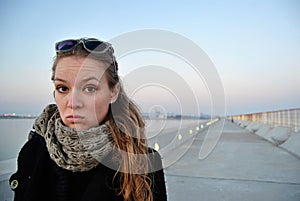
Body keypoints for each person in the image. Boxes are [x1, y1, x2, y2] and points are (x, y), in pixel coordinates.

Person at [9, 38, 167, 201]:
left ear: (113, 92)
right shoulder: (32, 151)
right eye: (63, 88)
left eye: (90, 88)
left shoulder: (143, 163)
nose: (73, 103)